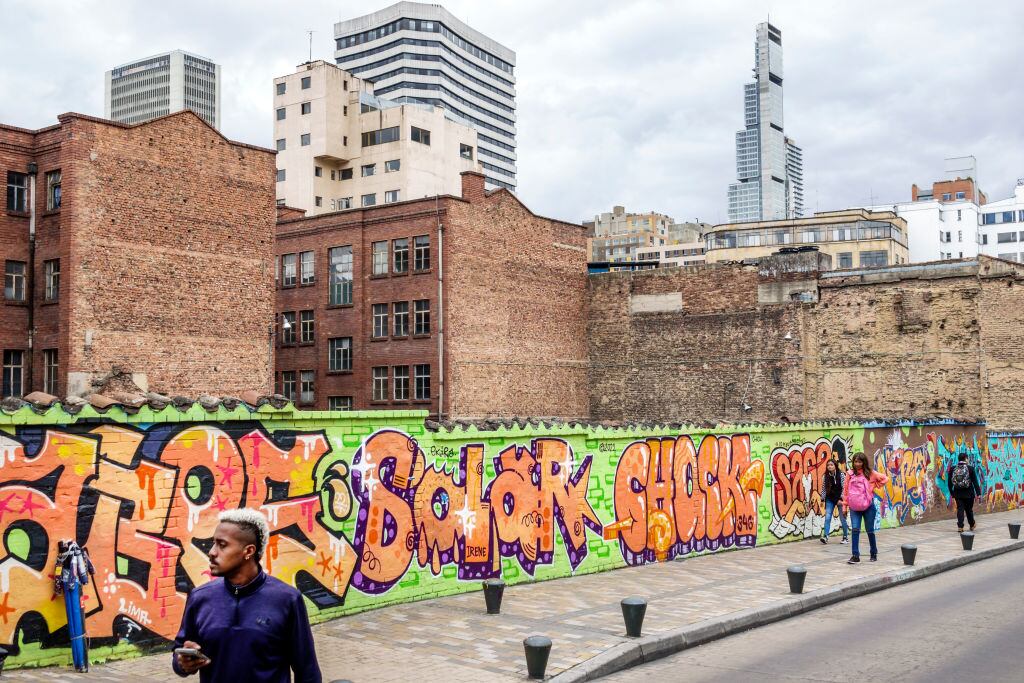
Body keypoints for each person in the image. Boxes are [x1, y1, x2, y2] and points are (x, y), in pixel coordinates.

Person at [172, 509, 322, 682]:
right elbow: (178, 657)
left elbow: (307, 670)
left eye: (222, 545)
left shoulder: (287, 599)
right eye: (214, 543)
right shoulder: (200, 598)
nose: (212, 552)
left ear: (248, 551)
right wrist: (182, 663)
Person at [842, 453, 889, 564]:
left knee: (870, 531)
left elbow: (885, 479)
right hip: (854, 507)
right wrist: (844, 507)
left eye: (860, 462)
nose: (857, 464)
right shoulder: (850, 474)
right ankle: (855, 555)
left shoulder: (870, 473)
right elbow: (845, 491)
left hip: (868, 507)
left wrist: (873, 486)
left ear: (864, 462)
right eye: (855, 461)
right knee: (855, 530)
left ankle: (873, 552)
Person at [947, 452, 982, 532]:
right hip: (969, 493)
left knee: (960, 509)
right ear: (966, 459)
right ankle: (972, 524)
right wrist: (978, 494)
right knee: (969, 510)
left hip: (957, 493)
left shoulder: (952, 469)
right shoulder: (970, 468)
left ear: (959, 459)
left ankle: (960, 526)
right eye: (967, 458)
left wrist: (952, 493)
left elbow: (949, 483)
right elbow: (975, 482)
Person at [819, 459, 848, 544]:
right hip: (830, 499)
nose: (829, 466)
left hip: (839, 499)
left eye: (831, 465)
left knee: (842, 519)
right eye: (828, 465)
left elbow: (844, 488)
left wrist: (841, 499)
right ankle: (825, 536)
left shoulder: (841, 475)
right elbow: (824, 489)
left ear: (835, 465)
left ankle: (845, 537)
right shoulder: (826, 476)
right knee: (827, 517)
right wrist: (822, 499)